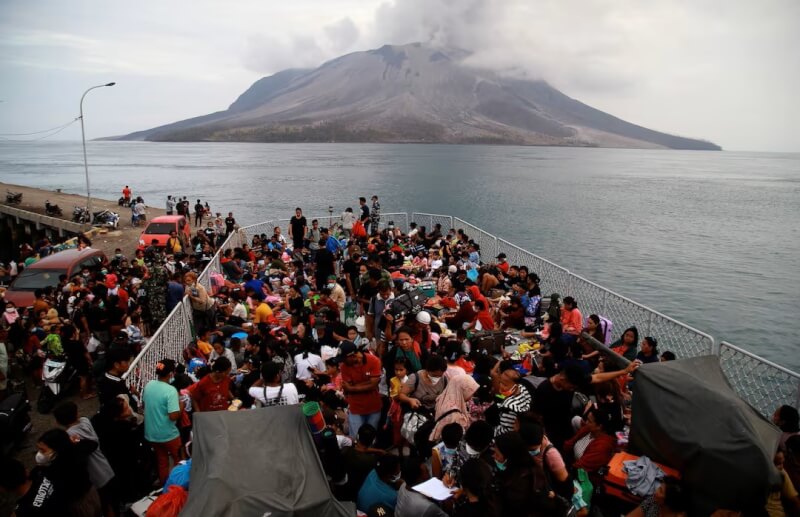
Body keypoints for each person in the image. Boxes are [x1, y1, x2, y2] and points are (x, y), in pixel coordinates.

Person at [53, 401, 116, 513]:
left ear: (58, 422)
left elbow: (79, 444)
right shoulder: (85, 421)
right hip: (105, 467)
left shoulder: (70, 435)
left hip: (95, 475)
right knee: (110, 502)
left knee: (104, 504)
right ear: (77, 414)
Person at [142, 358, 182, 486]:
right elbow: (173, 416)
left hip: (151, 434)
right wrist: (181, 405)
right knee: (179, 459)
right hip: (169, 434)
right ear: (171, 373)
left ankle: (165, 485)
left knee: (162, 461)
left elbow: (145, 405)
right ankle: (179, 485)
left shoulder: (149, 385)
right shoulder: (170, 391)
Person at [493, 431, 548, 516]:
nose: (493, 456)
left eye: (497, 454)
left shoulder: (516, 486)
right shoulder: (532, 466)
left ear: (509, 458)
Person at [340, 341, 383, 438]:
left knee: (370, 438)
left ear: (353, 356)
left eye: (344, 358)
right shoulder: (344, 366)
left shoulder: (374, 360)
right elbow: (372, 383)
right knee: (355, 438)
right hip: (355, 408)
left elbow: (373, 384)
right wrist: (370, 383)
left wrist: (352, 387)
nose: (342, 361)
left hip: (373, 407)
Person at [563, 406, 617, 477]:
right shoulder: (588, 429)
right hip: (572, 463)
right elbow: (569, 444)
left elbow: (580, 467)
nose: (586, 422)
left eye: (589, 421)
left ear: (599, 426)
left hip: (585, 477)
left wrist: (563, 470)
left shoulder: (602, 446)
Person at [430, 373, 479, 443]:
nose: (472, 396)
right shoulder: (455, 414)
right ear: (462, 390)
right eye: (470, 392)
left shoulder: (444, 397)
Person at [97, 347, 136, 415]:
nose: (128, 364)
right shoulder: (117, 383)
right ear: (116, 365)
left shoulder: (104, 377)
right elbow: (128, 404)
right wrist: (132, 393)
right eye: (126, 362)